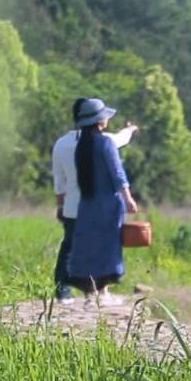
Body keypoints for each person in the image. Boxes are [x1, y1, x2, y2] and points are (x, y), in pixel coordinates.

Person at [52, 98, 137, 302]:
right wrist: (129, 198)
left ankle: (73, 291)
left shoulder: (70, 144)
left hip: (77, 206)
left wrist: (60, 205)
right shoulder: (105, 142)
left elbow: (59, 181)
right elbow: (117, 169)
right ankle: (102, 292)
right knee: (105, 247)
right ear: (100, 120)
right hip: (103, 204)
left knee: (76, 248)